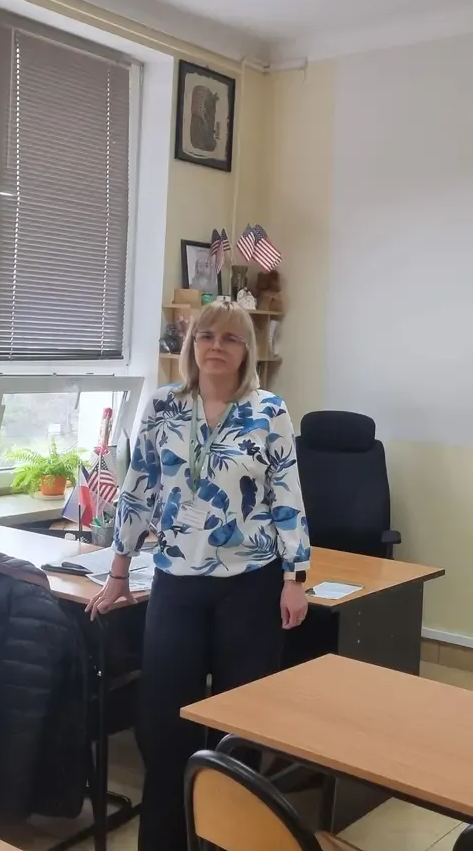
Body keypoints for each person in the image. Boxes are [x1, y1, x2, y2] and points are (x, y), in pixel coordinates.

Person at [86, 301, 311, 851]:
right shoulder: (164, 406)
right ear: (191, 345)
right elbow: (138, 491)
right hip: (177, 584)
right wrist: (118, 572)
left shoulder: (269, 411)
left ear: (246, 351)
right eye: (206, 336)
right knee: (164, 726)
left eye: (230, 339)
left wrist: (295, 578)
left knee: (241, 726)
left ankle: (229, 837)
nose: (216, 347)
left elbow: (287, 495)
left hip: (250, 586)